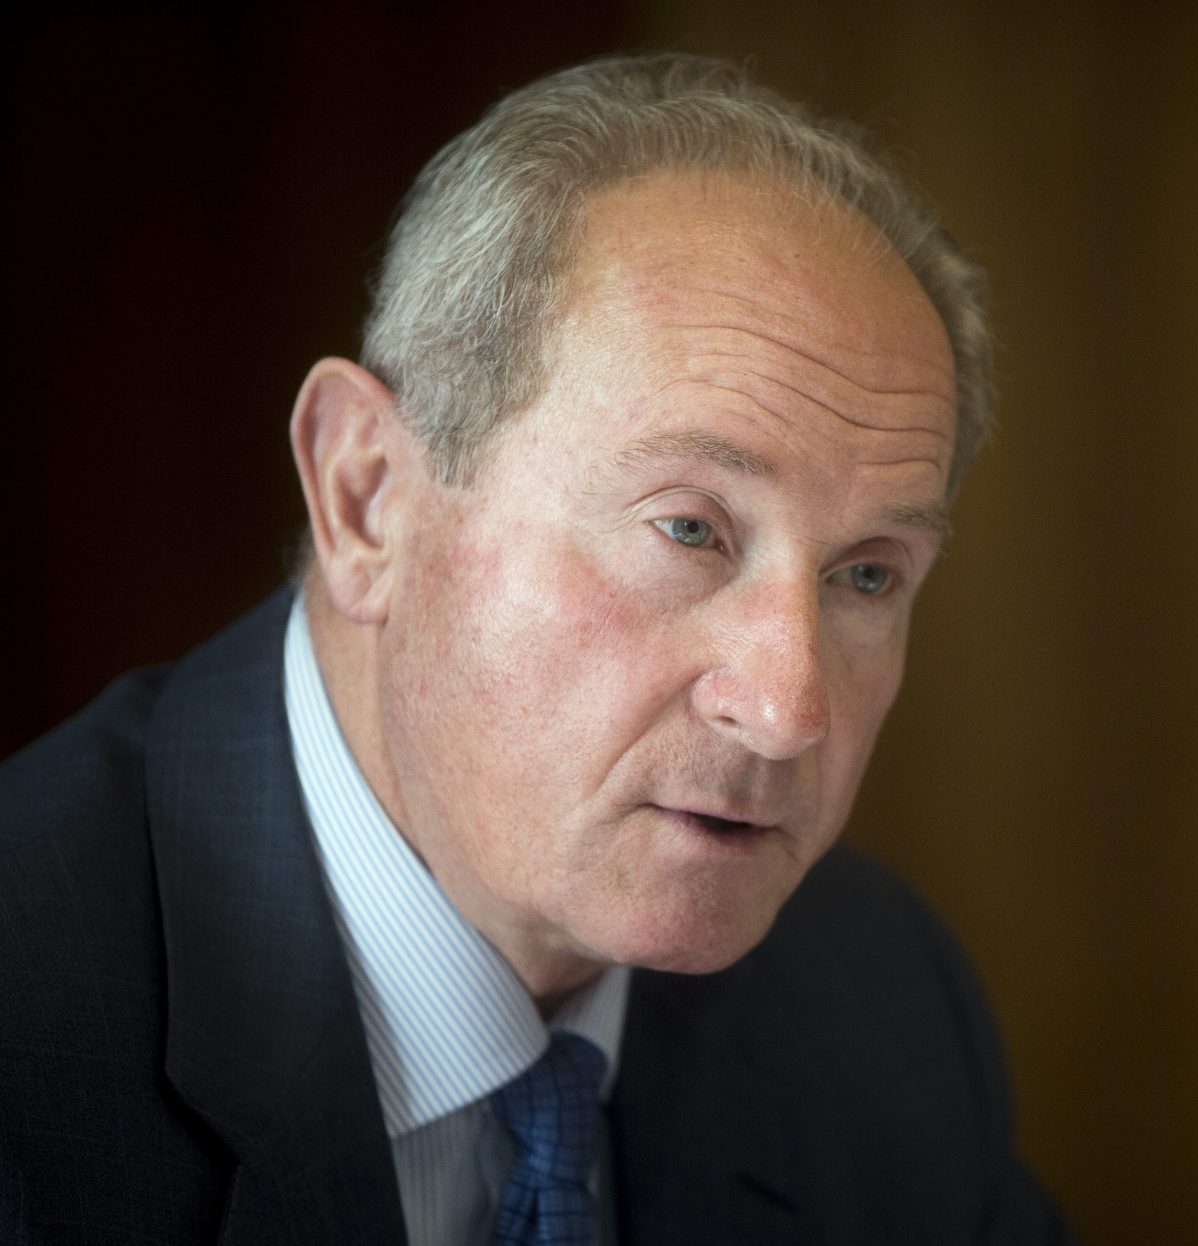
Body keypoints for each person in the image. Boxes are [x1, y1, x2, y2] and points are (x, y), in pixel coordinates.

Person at [0, 53, 1071, 1245]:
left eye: (867, 574)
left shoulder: (886, 1012)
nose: (786, 709)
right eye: (689, 529)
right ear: (368, 498)